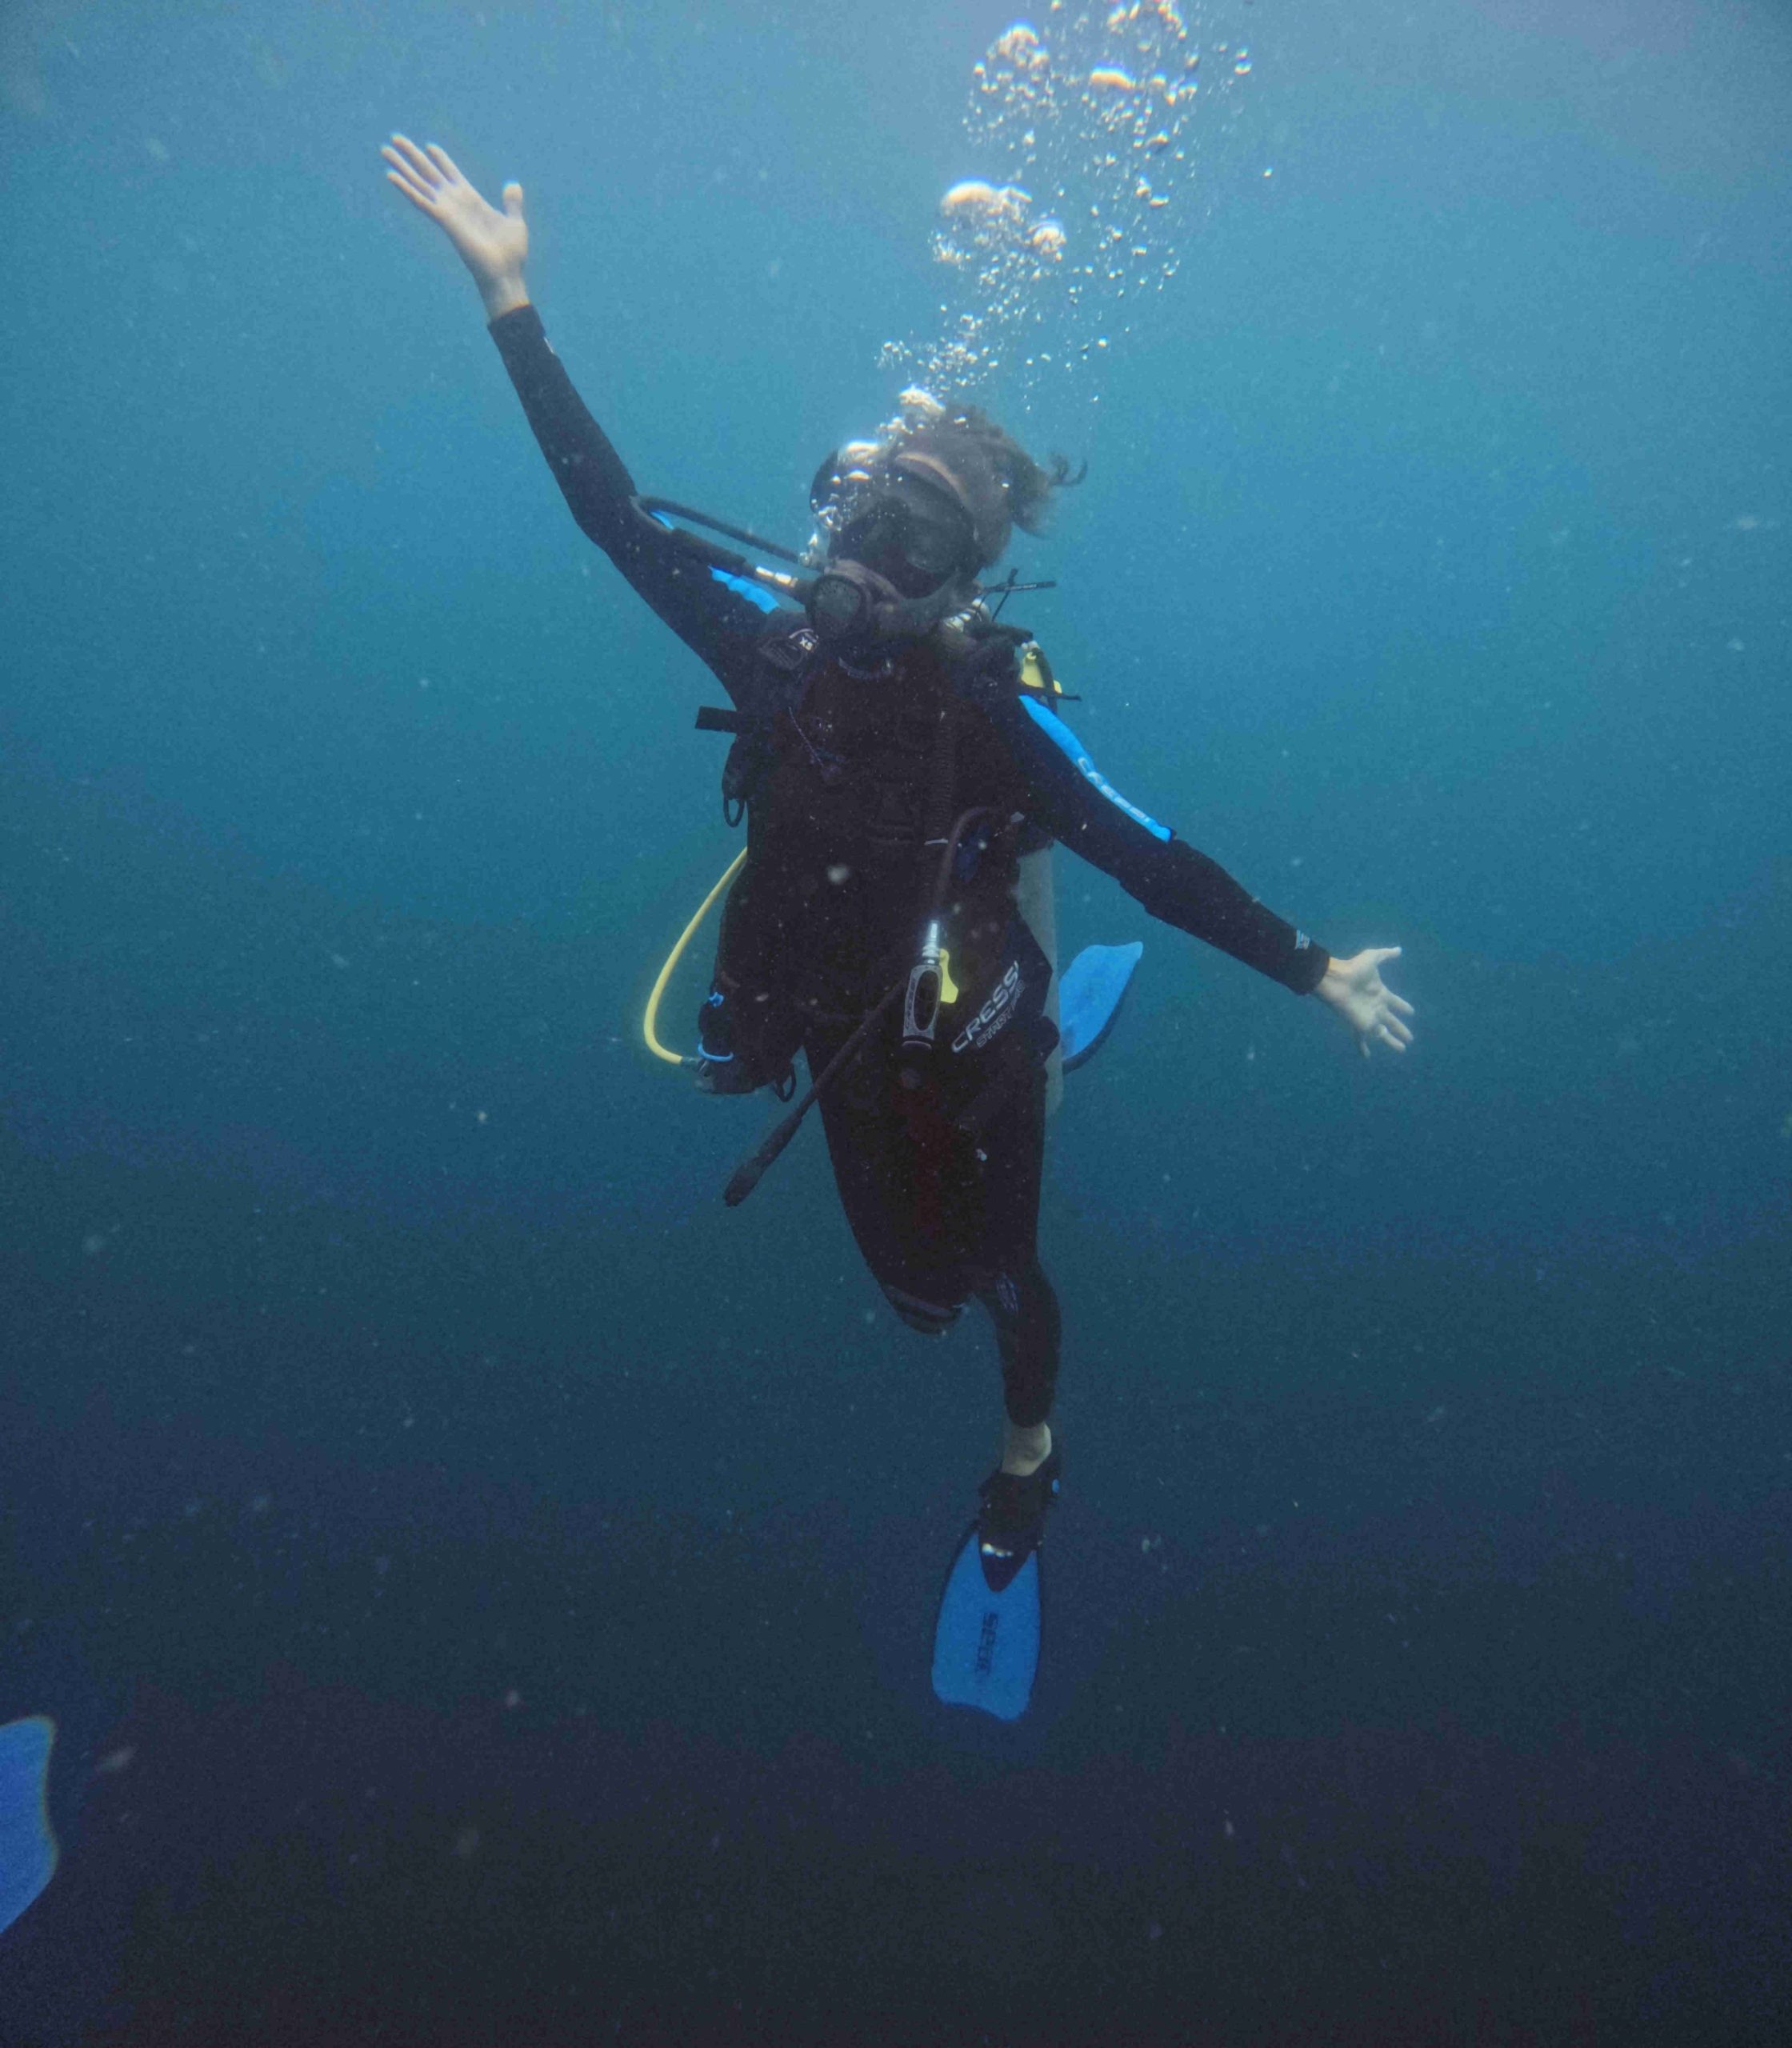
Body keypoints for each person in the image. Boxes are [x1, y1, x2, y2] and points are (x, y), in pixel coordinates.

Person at [382, 135, 1414, 1597]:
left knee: (988, 1279)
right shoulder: (769, 635)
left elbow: (1154, 855)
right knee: (909, 1298)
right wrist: (509, 302)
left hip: (953, 1006)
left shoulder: (985, 715)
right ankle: (1017, 1065)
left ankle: (1030, 1452)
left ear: (966, 580)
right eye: (867, 514)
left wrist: (1315, 971)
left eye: (919, 539)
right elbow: (608, 512)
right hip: (830, 1005)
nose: (875, 553)